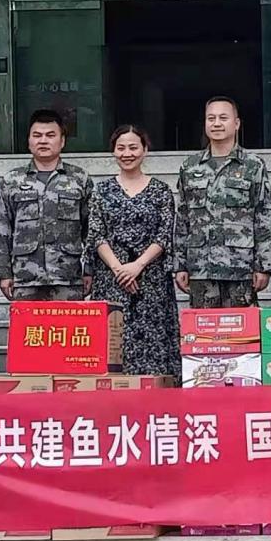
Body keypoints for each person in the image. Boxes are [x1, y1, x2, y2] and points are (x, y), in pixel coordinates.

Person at [85, 125, 180, 380]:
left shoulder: (161, 190)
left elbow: (164, 234)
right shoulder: (101, 191)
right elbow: (96, 234)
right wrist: (119, 269)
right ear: (113, 151)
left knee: (153, 345)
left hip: (151, 280)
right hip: (111, 280)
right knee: (114, 342)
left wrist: (137, 265)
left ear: (145, 150)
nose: (127, 153)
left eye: (133, 147)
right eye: (121, 148)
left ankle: (157, 395)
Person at [174, 96, 271, 308]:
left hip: (240, 266)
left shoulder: (253, 165)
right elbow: (183, 217)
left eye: (223, 118)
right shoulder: (190, 166)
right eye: (211, 118)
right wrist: (180, 265)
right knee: (204, 326)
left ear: (236, 123)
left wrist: (264, 265)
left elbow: (263, 215)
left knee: (242, 326)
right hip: (201, 266)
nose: (216, 123)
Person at [0, 109, 94, 302]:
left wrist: (89, 269)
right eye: (37, 135)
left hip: (68, 277)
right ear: (29, 141)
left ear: (62, 141)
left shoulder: (79, 178)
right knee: (27, 323)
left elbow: (91, 229)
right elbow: (2, 229)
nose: (43, 141)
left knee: (68, 323)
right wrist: (3, 273)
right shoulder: (13, 180)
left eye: (50, 135)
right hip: (25, 278)